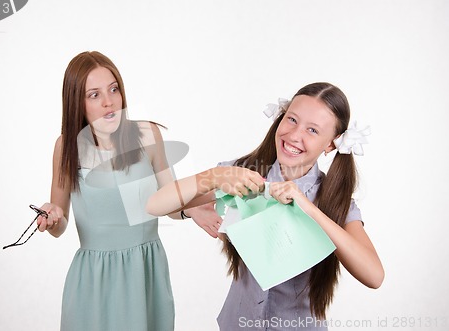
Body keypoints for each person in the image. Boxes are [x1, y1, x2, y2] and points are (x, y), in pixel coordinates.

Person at [146, 82, 384, 330]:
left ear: (331, 144)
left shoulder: (334, 200)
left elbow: (374, 276)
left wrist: (309, 208)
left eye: (312, 130)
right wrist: (213, 177)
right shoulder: (243, 174)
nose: (294, 135)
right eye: (292, 119)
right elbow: (156, 205)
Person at [35, 51, 214, 331]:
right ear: (76, 103)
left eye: (114, 89)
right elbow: (60, 225)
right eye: (94, 95)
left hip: (145, 273)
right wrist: (53, 216)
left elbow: (171, 201)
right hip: (93, 279)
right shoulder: (66, 146)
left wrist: (191, 208)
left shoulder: (147, 135)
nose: (109, 102)